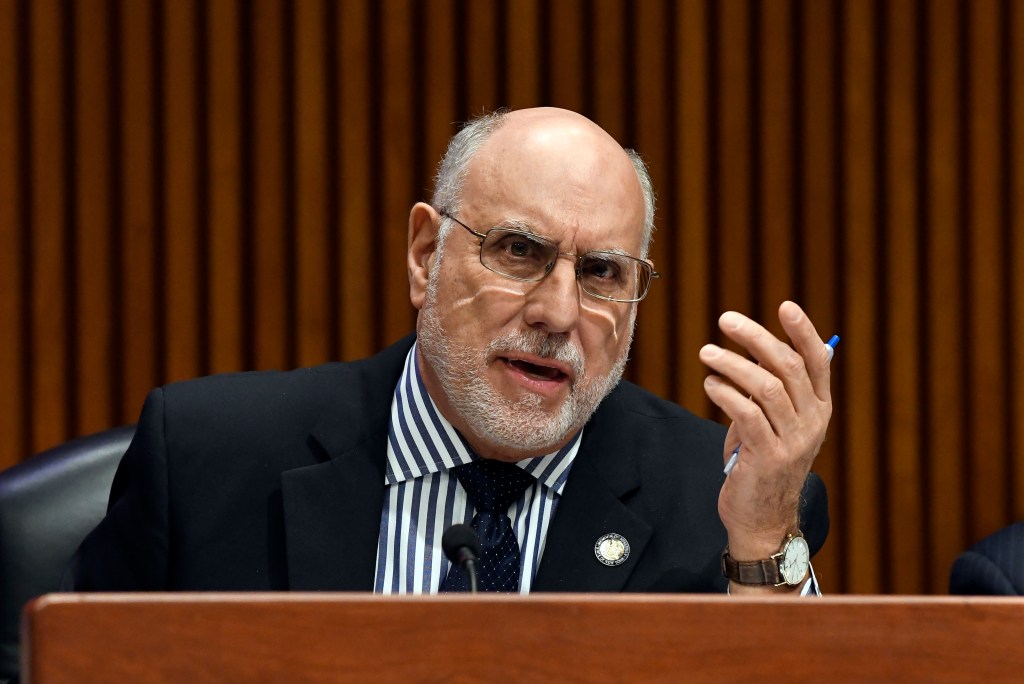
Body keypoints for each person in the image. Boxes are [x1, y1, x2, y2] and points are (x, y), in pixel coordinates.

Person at [69, 107, 833, 596]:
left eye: (602, 273)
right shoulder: (209, 461)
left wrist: (763, 542)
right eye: (518, 251)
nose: (559, 311)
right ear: (425, 253)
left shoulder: (724, 502)